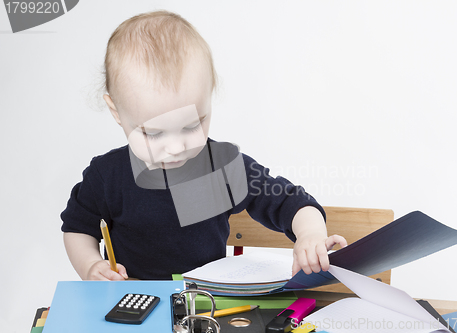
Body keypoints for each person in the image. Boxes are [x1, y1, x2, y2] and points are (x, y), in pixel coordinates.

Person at [61, 10, 347, 281]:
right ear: (116, 112)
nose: (175, 147)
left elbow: (291, 202)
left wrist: (309, 234)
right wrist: (90, 265)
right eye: (154, 133)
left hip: (205, 303)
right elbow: (78, 228)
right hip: (133, 299)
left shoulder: (222, 168)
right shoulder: (107, 175)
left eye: (191, 126)